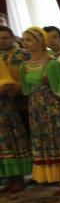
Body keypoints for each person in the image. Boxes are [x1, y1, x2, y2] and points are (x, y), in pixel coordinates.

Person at [18, 26, 60, 189]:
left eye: (29, 40)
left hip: (54, 107)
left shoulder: (52, 64)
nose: (25, 43)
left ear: (41, 42)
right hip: (36, 108)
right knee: (44, 140)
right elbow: (26, 90)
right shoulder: (25, 66)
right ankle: (54, 177)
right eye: (23, 40)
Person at [0, 27, 31, 193]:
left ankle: (22, 177)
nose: (2, 41)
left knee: (18, 140)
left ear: (13, 38)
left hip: (22, 100)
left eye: (5, 37)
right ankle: (9, 178)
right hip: (7, 102)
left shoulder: (22, 54)